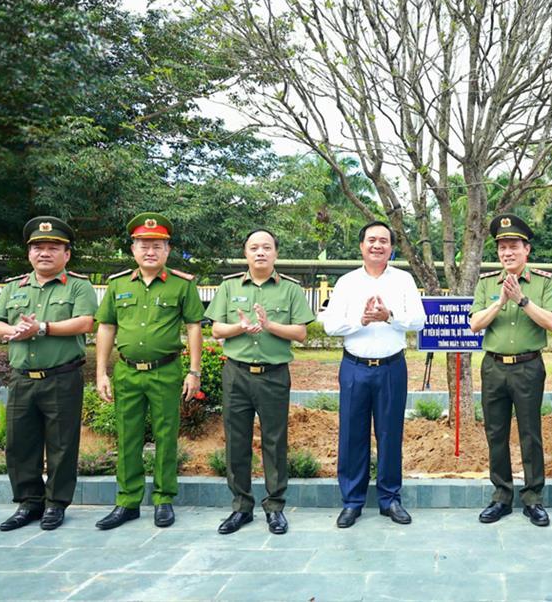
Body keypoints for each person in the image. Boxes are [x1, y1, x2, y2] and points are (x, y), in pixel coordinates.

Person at [93, 213, 204, 530]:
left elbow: (194, 327)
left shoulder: (182, 286)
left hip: (166, 371)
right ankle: (127, 502)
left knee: (166, 436)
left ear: (168, 250)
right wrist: (101, 372)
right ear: (133, 250)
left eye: (157, 245)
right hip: (127, 372)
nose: (150, 251)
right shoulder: (117, 285)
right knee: (127, 437)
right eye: (143, 245)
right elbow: (106, 328)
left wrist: (194, 371)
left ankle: (163, 499)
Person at [205, 229, 315, 535]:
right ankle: (241, 506)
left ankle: (275, 506)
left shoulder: (291, 290)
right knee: (236, 440)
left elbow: (301, 333)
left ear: (276, 254)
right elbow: (216, 330)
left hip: (274, 375)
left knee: (274, 441)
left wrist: (270, 325)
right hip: (237, 374)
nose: (260, 253)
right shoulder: (228, 287)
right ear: (246, 253)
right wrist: (240, 327)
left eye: (267, 247)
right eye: (254, 247)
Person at [0, 217, 97, 532]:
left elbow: (84, 323)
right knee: (20, 443)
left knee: (62, 444)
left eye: (53, 248)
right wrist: (13, 331)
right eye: (38, 247)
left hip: (62, 376)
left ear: (66, 255)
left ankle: (56, 504)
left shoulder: (78, 285)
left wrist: (41, 328)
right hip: (22, 377)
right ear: (29, 254)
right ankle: (29, 503)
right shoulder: (14, 287)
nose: (45, 253)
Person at [320, 221, 425, 528]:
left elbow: (418, 320)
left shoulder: (403, 280)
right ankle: (352, 502)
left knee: (390, 434)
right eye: (371, 240)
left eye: (383, 241)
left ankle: (390, 499)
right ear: (361, 246)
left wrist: (389, 316)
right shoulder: (347, 282)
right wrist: (362, 319)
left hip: (391, 367)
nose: (377, 245)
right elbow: (330, 325)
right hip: (354, 368)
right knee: (352, 434)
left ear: (391, 247)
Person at [470, 214, 552, 527]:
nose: (507, 253)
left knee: (530, 433)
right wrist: (499, 302)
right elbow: (474, 324)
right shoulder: (486, 283)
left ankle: (533, 498)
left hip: (528, 367)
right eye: (502, 248)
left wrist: (522, 300)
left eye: (513, 247)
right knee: (495, 433)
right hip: (494, 367)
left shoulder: (543, 282)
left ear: (527, 250)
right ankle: (501, 496)